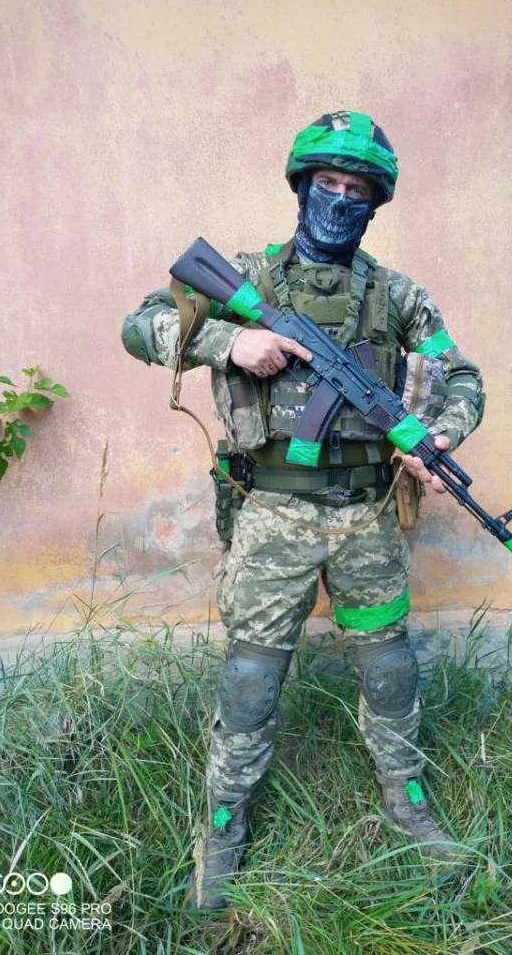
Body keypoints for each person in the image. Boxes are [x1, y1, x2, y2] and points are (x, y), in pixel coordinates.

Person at [121, 111, 485, 910]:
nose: (340, 200)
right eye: (327, 182)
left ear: (375, 203)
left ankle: (407, 800)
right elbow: (140, 325)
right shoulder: (248, 274)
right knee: (252, 675)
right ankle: (225, 824)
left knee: (388, 664)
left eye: (357, 190)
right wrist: (227, 343)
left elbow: (461, 376)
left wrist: (438, 434)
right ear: (301, 186)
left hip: (367, 516)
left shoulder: (397, 295)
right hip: (271, 516)